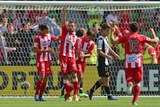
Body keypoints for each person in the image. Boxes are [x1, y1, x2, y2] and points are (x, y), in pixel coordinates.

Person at [111, 23, 159, 105]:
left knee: (130, 79)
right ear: (138, 29)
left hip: (128, 61)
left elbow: (113, 42)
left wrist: (112, 32)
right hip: (138, 61)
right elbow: (155, 41)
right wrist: (153, 33)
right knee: (137, 83)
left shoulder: (126, 37)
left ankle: (129, 82)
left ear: (130, 29)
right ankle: (134, 101)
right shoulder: (141, 37)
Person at [87, 23, 120, 101]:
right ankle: (109, 95)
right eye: (107, 30)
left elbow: (108, 47)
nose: (108, 32)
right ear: (102, 31)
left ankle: (91, 90)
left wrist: (114, 54)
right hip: (102, 62)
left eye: (109, 30)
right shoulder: (100, 39)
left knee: (106, 78)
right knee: (105, 79)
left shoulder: (105, 39)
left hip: (105, 62)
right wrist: (107, 56)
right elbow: (99, 51)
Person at [33, 24, 60, 101]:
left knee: (46, 78)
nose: (49, 30)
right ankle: (36, 95)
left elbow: (57, 37)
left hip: (47, 60)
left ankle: (41, 96)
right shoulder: (37, 38)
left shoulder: (49, 35)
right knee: (42, 75)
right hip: (40, 59)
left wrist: (64, 32)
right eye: (48, 29)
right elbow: (35, 49)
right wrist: (46, 50)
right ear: (43, 30)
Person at [59, 7, 79, 102]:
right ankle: (68, 95)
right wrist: (64, 13)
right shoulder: (64, 32)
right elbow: (63, 22)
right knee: (65, 76)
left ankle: (75, 94)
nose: (71, 27)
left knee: (75, 75)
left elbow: (76, 48)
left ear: (75, 27)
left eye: (72, 26)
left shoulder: (76, 37)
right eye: (69, 25)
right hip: (63, 57)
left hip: (72, 58)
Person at [76, 29, 95, 98]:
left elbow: (90, 54)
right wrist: (78, 52)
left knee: (80, 78)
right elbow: (74, 49)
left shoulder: (92, 43)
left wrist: (83, 55)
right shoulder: (79, 40)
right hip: (76, 61)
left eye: (91, 38)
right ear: (86, 35)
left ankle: (76, 92)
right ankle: (75, 92)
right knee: (79, 76)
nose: (90, 39)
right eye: (89, 37)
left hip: (83, 62)